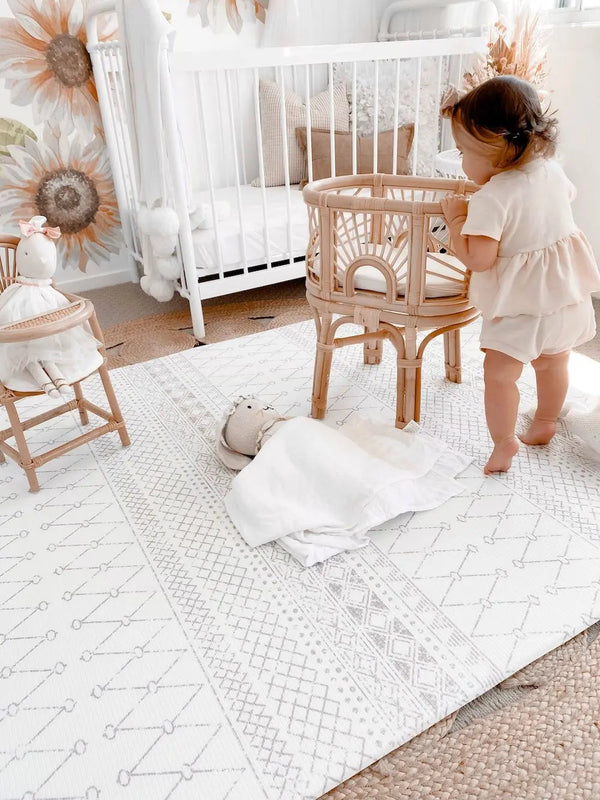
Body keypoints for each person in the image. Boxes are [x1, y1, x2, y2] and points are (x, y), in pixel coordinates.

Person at [439, 75, 600, 474]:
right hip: (563, 297)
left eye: (462, 151)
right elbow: (563, 202)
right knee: (554, 364)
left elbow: (479, 259)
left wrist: (457, 220)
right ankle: (545, 422)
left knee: (500, 377)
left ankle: (504, 442)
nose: (460, 162)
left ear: (496, 149)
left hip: (519, 308)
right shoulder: (552, 172)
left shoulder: (491, 199)